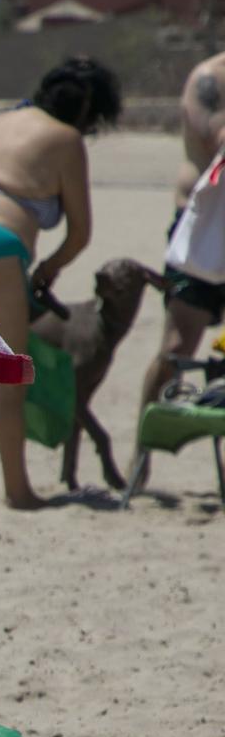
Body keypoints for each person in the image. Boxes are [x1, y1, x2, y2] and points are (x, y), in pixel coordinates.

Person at [0, 57, 116, 509]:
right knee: (9, 376)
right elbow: (79, 234)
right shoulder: (66, 138)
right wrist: (48, 268)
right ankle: (18, 490)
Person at [145, 53, 225, 452]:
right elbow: (218, 138)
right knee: (176, 347)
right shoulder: (210, 79)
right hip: (201, 231)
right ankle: (143, 449)